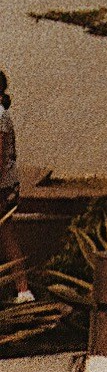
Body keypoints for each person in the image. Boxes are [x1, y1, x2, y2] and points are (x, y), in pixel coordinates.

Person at [0, 72, 30, 302]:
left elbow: (0, 156)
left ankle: (23, 290)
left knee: (7, 236)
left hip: (2, 186)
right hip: (5, 185)